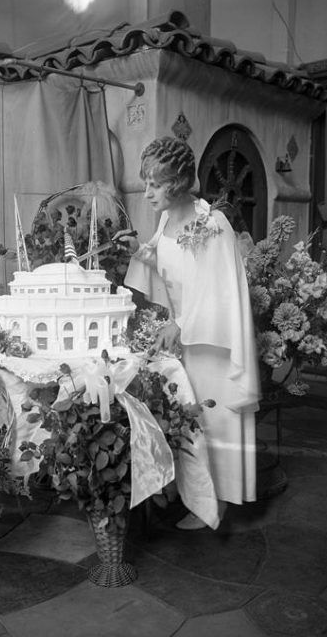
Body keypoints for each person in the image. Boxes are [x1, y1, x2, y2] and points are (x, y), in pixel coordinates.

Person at [115, 137, 260, 530]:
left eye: (154, 184)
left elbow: (220, 289)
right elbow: (170, 267)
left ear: (178, 183)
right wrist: (139, 252)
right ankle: (197, 494)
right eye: (146, 182)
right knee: (191, 418)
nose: (146, 193)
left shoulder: (211, 223)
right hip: (184, 339)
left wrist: (181, 323)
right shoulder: (165, 221)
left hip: (213, 341)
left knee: (215, 419)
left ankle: (218, 503)